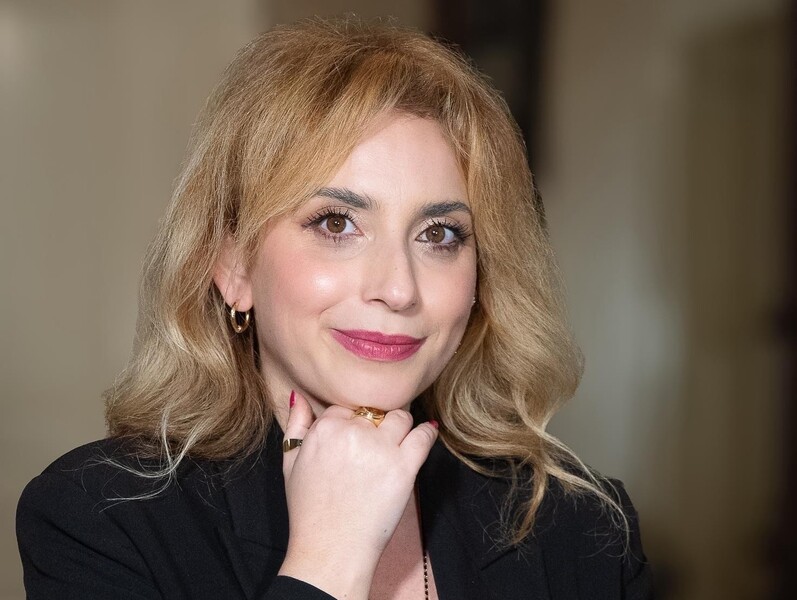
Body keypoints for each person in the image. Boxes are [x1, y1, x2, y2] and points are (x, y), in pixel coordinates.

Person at [16, 17, 653, 600]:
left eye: (439, 235)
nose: (398, 289)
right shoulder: (102, 519)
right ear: (234, 267)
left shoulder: (584, 528)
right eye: (336, 223)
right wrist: (327, 561)